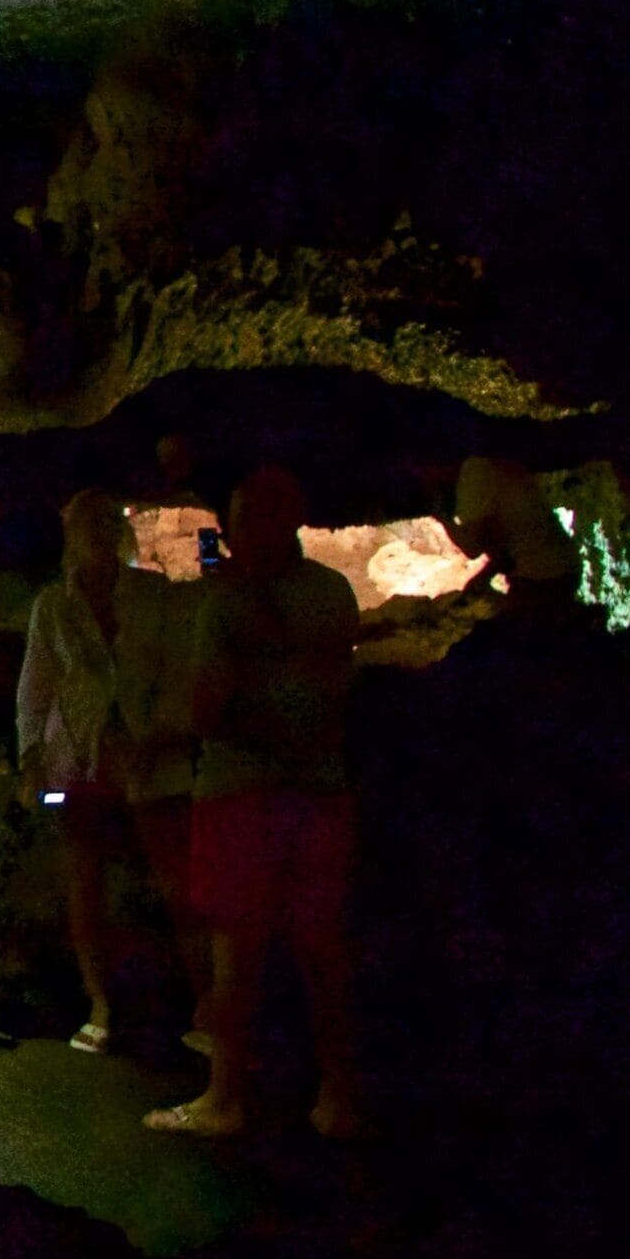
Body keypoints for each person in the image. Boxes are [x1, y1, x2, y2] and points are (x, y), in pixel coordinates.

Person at [150, 465, 366, 1140]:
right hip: (321, 787)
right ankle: (338, 1096)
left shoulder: (225, 606)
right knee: (323, 949)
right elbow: (338, 689)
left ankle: (225, 1097)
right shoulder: (332, 592)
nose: (233, 531)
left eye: (240, 518)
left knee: (235, 953)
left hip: (240, 790)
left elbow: (206, 709)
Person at [16, 490, 189, 1053]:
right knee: (84, 884)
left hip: (147, 754)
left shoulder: (153, 595)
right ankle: (102, 1003)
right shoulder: (53, 604)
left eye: (103, 523)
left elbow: (175, 671)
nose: (94, 534)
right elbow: (36, 686)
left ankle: (202, 1000)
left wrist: (159, 737)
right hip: (77, 758)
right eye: (83, 525)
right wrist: (32, 760)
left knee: (174, 880)